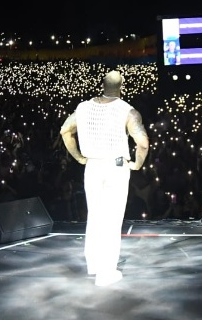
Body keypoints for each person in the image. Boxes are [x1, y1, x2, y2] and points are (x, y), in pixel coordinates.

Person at [60, 71, 149, 286]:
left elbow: (65, 131)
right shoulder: (128, 111)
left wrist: (80, 158)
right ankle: (106, 272)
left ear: (102, 85)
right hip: (115, 168)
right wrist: (136, 164)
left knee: (96, 215)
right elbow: (143, 143)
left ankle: (94, 265)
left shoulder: (83, 107)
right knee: (112, 218)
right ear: (122, 86)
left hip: (92, 166)